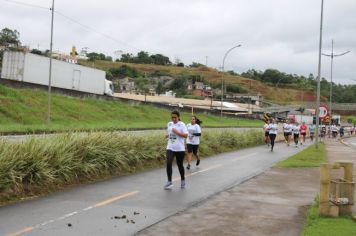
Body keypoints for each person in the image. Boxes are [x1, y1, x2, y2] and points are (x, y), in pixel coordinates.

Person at [164, 110, 188, 190]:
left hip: (179, 148)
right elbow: (171, 132)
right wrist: (167, 135)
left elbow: (185, 135)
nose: (173, 119)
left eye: (175, 117)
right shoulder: (169, 124)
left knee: (180, 165)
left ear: (178, 117)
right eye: (172, 117)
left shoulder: (182, 125)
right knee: (168, 162)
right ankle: (169, 181)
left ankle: (183, 180)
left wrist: (177, 132)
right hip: (170, 147)